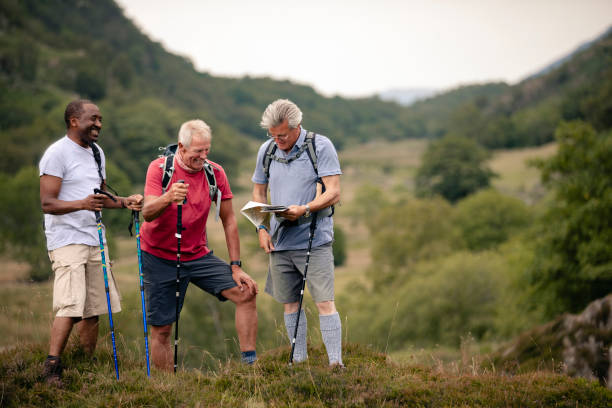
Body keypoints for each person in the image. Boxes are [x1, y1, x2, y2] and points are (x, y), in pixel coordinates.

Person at [39, 99, 144, 386]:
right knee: (71, 304)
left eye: (100, 119)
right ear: (74, 120)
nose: (98, 124)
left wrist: (126, 203)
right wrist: (82, 204)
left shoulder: (97, 153)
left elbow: (98, 201)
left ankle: (86, 364)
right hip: (67, 239)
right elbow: (47, 203)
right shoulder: (56, 154)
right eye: (92, 118)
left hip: (94, 237)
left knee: (95, 307)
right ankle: (51, 366)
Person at [141, 119, 258, 370]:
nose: (204, 157)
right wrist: (169, 197)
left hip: (196, 255)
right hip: (159, 255)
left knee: (247, 292)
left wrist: (236, 266)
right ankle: (163, 388)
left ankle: (251, 366)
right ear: (182, 148)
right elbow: (147, 212)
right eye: (198, 151)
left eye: (207, 150)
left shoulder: (215, 172)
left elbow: (229, 220)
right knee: (162, 330)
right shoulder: (159, 168)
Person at [251, 99, 343, 367]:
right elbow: (259, 191)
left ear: (296, 127)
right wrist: (261, 227)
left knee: (324, 302)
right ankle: (299, 363)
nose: (276, 139)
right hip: (280, 241)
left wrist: (305, 208)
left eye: (281, 135)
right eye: (272, 135)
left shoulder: (320, 146)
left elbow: (334, 191)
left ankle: (336, 364)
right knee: (290, 303)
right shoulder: (266, 151)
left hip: (315, 239)